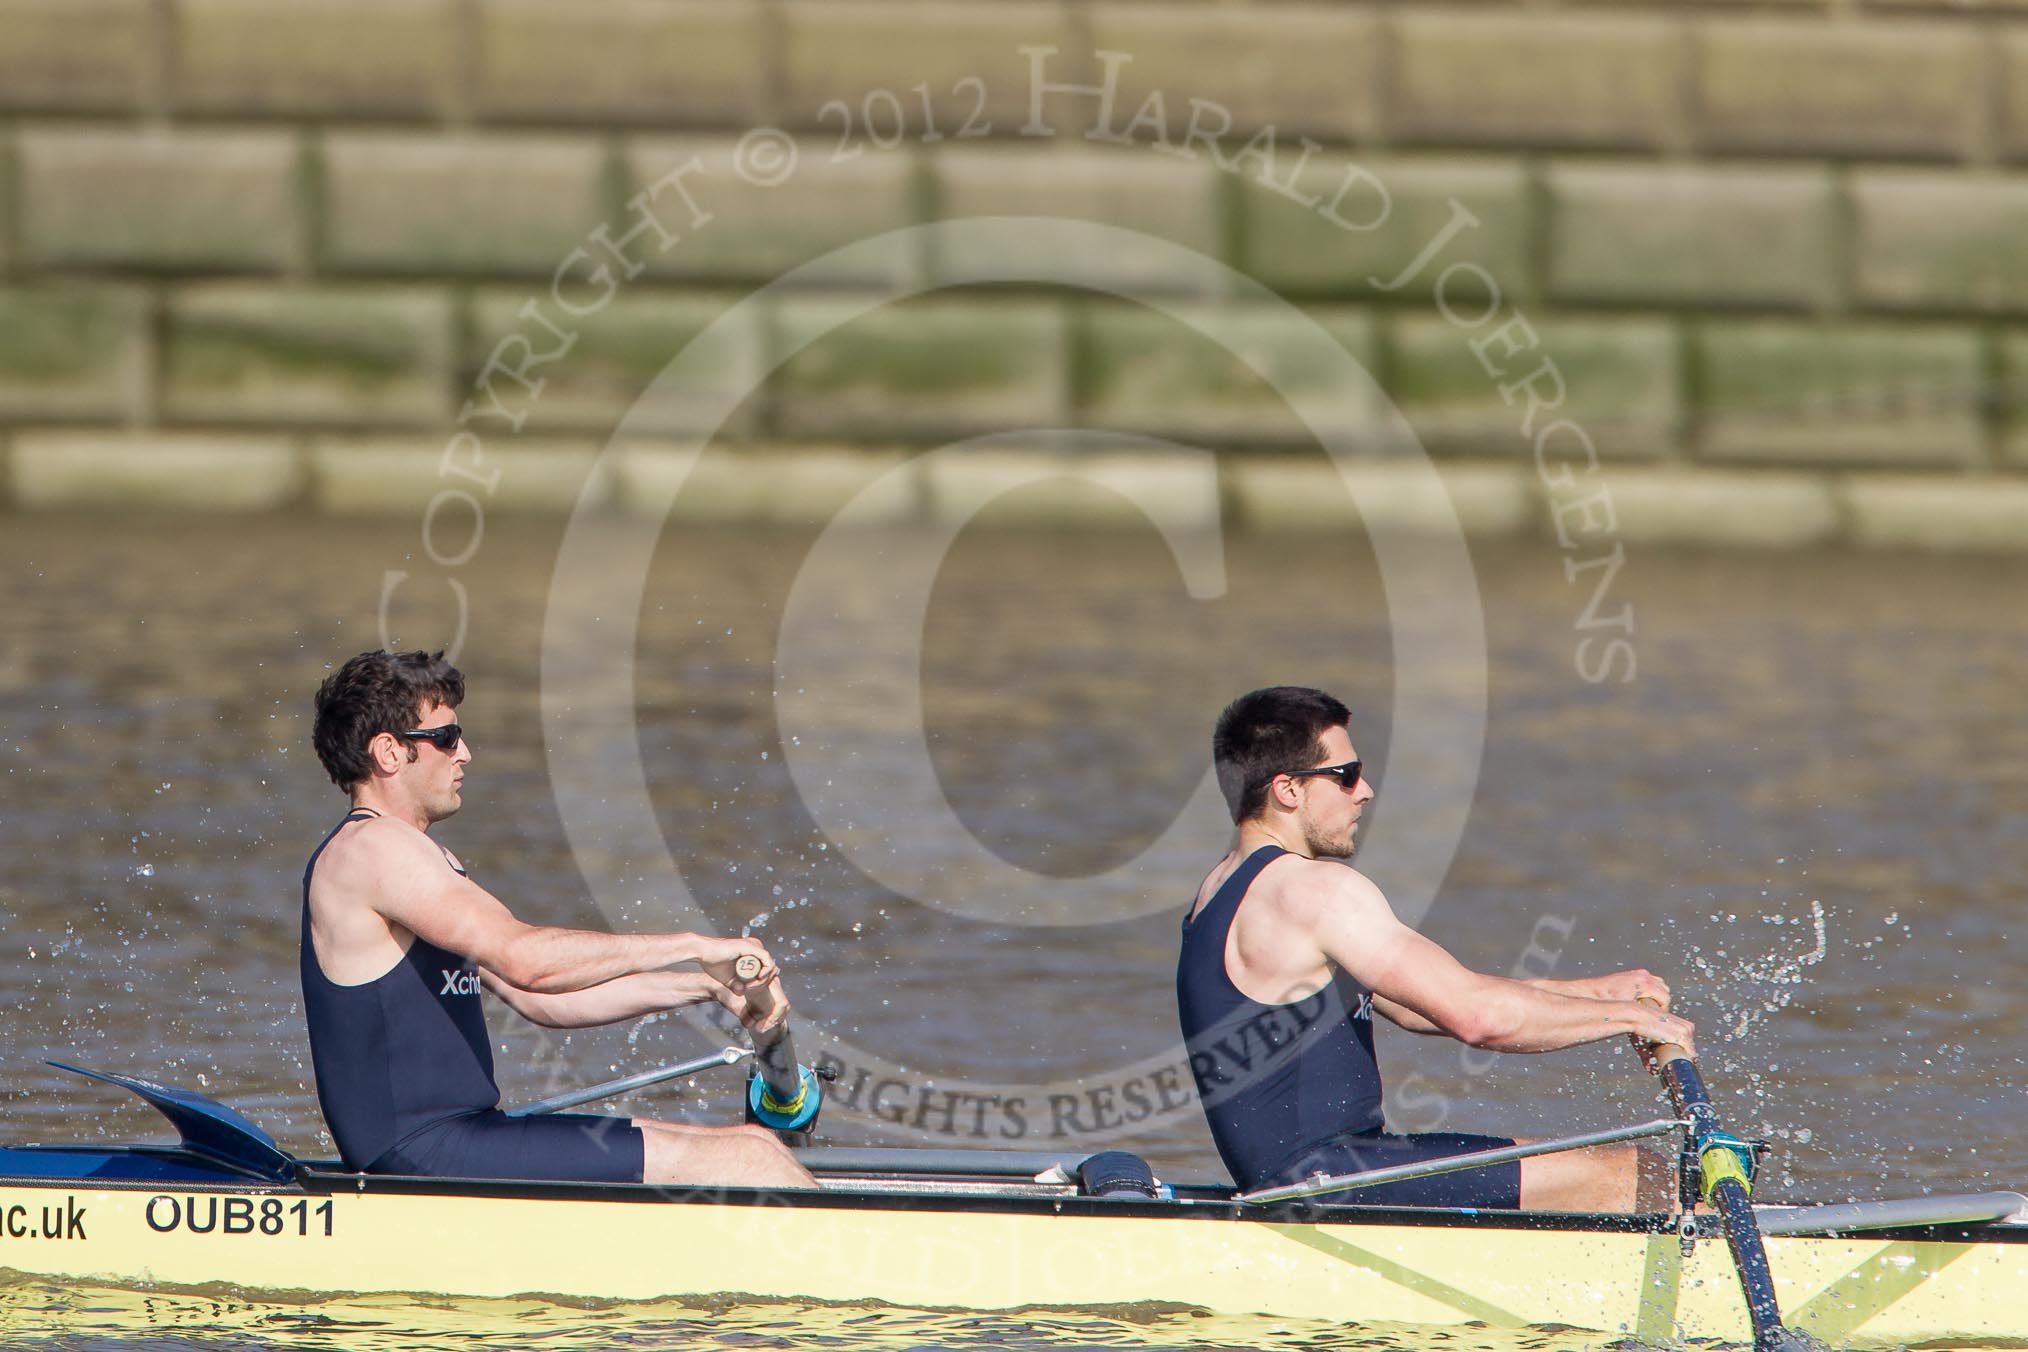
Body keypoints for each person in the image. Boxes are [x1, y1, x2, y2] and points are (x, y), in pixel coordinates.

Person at [303, 648, 814, 1189]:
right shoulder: (373, 850)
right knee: (750, 1165)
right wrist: (694, 943)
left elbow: (544, 998)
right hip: (424, 1153)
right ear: (389, 752)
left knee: (753, 1143)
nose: (466, 754)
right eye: (447, 738)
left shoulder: (420, 859)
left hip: (461, 1139)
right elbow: (531, 963)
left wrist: (706, 988)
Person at [1178, 686, 1695, 1212]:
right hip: (1330, 1183)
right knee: (1643, 1178)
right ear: (1288, 790)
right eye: (1346, 775)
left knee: (1566, 1164)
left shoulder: (1219, 891)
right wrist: (1631, 1020)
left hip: (1312, 1176)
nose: (1365, 792)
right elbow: (1479, 1018)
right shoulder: (1313, 891)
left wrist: (1597, 995)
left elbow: (1421, 1006)